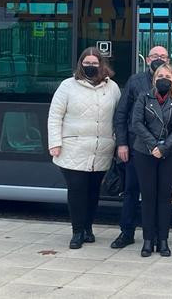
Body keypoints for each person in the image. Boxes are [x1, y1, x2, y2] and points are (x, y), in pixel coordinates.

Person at [47, 47, 121, 249]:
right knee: (77, 191)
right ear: (81, 64)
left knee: (93, 192)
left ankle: (88, 228)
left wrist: (116, 141)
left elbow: (118, 117)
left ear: (101, 65)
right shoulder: (67, 86)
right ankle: (77, 231)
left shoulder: (112, 88)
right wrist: (55, 143)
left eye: (94, 63)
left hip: (101, 150)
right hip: (73, 148)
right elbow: (55, 116)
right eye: (86, 63)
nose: (90, 67)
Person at [112, 46, 170, 249]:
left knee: (158, 194)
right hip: (136, 147)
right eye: (155, 56)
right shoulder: (135, 82)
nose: (158, 59)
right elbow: (121, 114)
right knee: (131, 190)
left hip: (164, 151)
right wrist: (122, 143)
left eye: (163, 56)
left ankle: (154, 235)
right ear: (147, 60)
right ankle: (126, 232)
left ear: (168, 60)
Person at [130, 62, 172, 258]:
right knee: (148, 197)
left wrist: (163, 148)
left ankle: (163, 240)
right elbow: (136, 122)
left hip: (170, 153)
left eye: (168, 77)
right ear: (154, 79)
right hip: (144, 152)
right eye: (160, 76)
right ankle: (147, 240)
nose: (164, 79)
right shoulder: (143, 97)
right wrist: (153, 145)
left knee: (165, 197)